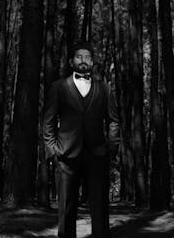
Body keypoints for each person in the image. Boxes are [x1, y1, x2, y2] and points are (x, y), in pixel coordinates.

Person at [43, 41, 120, 238]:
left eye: (87, 57)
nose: (83, 60)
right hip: (67, 155)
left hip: (97, 154)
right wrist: (52, 150)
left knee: (100, 206)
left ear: (92, 61)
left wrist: (111, 147)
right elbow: (48, 121)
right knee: (66, 205)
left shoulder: (105, 89)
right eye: (79, 57)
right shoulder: (58, 87)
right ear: (71, 62)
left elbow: (113, 120)